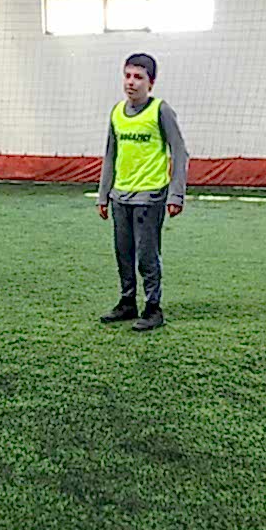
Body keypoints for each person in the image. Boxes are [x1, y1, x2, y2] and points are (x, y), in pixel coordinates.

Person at [97, 53, 190, 331]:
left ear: (151, 83)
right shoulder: (116, 112)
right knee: (123, 253)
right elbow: (110, 155)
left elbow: (179, 151)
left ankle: (153, 307)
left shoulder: (160, 110)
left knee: (147, 254)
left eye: (138, 77)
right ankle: (127, 302)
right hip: (120, 196)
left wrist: (176, 194)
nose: (131, 82)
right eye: (127, 76)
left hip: (150, 195)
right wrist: (103, 194)